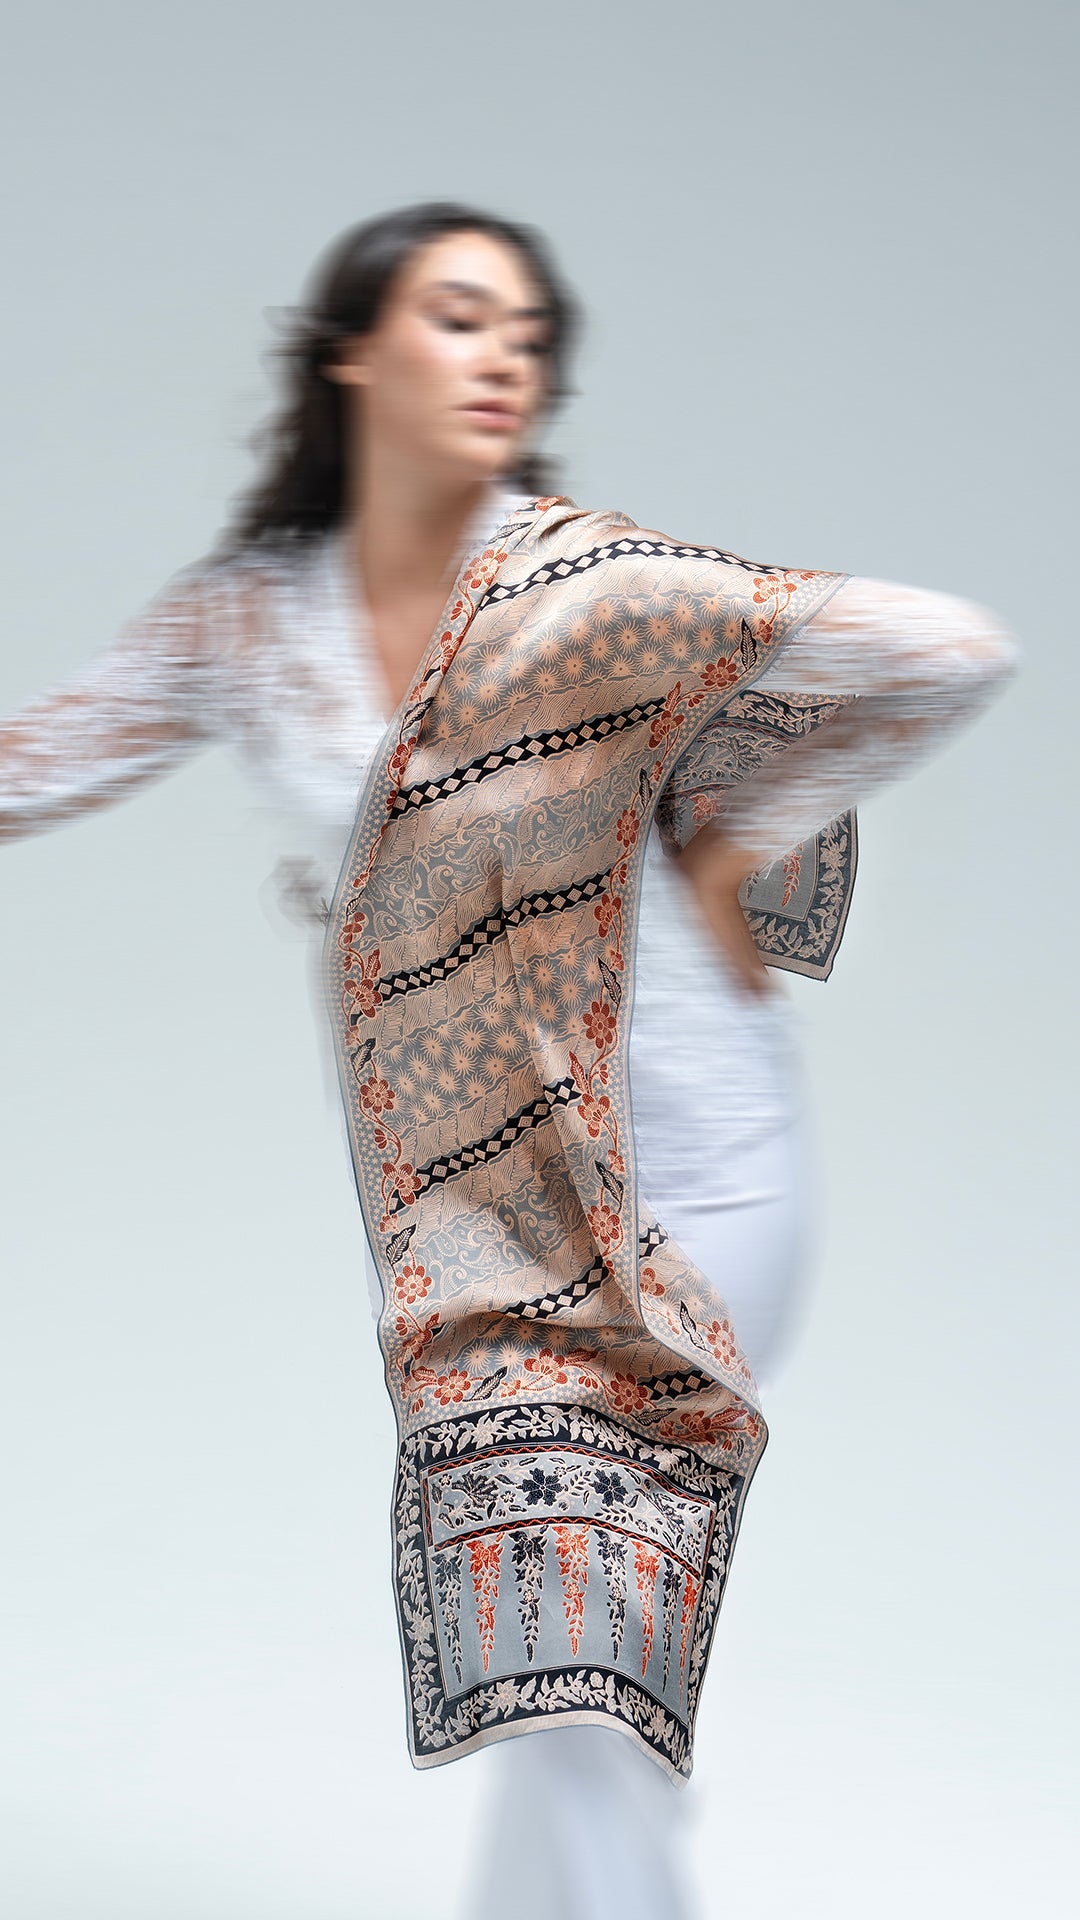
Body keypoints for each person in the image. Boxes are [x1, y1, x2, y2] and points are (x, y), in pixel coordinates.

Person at [0, 203, 1016, 1919]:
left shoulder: (588, 590)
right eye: (460, 318)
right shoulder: (246, 624)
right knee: (562, 1686)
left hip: (698, 1173)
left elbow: (945, 650)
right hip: (480, 1213)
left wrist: (730, 837)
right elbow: (32, 768)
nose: (505, 360)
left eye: (529, 335)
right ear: (351, 354)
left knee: (579, 1665)